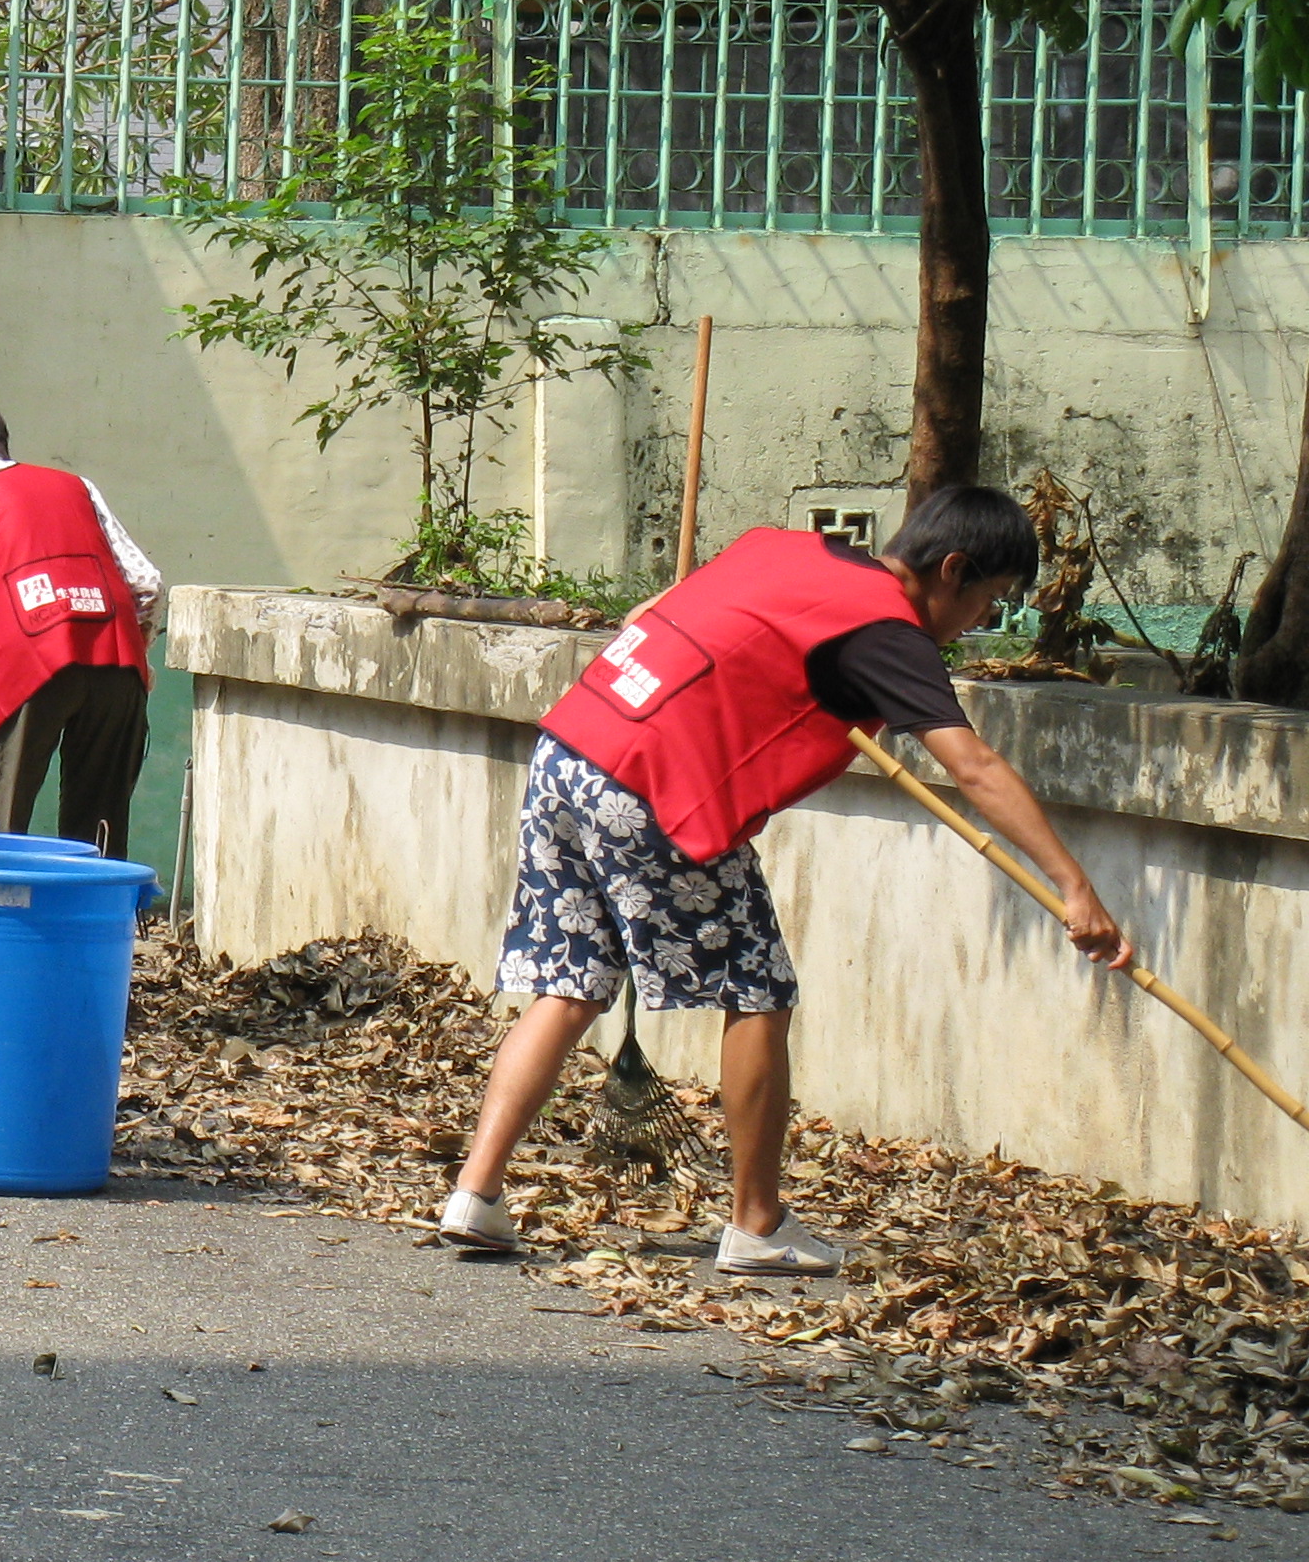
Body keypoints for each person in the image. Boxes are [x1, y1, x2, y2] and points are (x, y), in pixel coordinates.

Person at [439, 485, 1130, 1277]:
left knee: (570, 986)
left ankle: (476, 1194)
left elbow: (651, 612)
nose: (978, 626)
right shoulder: (885, 633)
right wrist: (1075, 886)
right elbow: (972, 765)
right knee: (757, 989)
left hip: (571, 748)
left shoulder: (783, 546)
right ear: (953, 569)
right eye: (990, 602)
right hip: (655, 792)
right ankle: (758, 1225)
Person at [0, 395, 164, 849]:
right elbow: (147, 584)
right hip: (117, 669)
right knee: (99, 834)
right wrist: (135, 650)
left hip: (23, 676)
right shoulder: (76, 486)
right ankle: (97, 919)